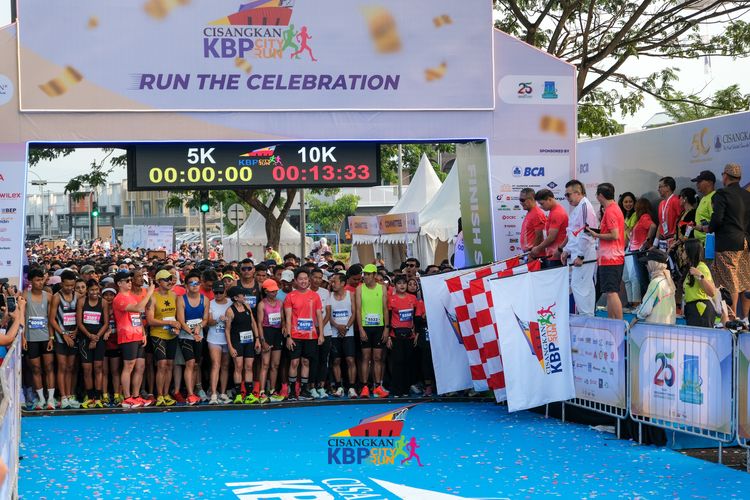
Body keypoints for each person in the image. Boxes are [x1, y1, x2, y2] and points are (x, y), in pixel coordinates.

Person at [708, 163, 750, 323]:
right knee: (745, 280)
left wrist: (709, 227)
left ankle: (731, 319)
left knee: (728, 281)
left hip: (727, 242)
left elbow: (717, 218)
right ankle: (746, 319)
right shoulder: (747, 195)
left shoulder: (722, 194)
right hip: (745, 242)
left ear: (725, 176)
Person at [112, 270, 155, 408]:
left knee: (140, 366)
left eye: (130, 280)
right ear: (119, 283)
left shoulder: (130, 296)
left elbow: (137, 315)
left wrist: (143, 333)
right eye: (127, 281)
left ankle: (136, 396)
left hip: (137, 334)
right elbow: (138, 308)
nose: (130, 282)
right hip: (127, 335)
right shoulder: (119, 298)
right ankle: (127, 397)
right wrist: (149, 292)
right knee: (129, 366)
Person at [284, 268, 324, 400]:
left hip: (311, 336)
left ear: (309, 280)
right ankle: (291, 391)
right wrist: (288, 336)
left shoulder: (315, 296)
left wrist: (321, 334)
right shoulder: (290, 296)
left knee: (306, 362)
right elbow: (288, 318)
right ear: (295, 281)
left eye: (305, 279)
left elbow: (319, 316)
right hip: (295, 336)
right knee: (294, 362)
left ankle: (303, 390)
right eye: (300, 279)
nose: (303, 281)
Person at [560, 180, 599, 316]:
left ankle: (586, 317)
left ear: (577, 193)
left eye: (568, 195)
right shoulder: (579, 207)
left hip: (584, 253)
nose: (567, 198)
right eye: (565, 195)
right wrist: (566, 250)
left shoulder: (585, 207)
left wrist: (581, 255)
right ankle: (588, 316)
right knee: (584, 286)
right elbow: (574, 233)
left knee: (580, 286)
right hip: (579, 252)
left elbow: (587, 233)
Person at [587, 183, 625, 320]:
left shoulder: (611, 211)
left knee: (612, 292)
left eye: (597, 194)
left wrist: (596, 235)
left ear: (600, 195)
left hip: (611, 258)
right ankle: (613, 323)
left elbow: (614, 235)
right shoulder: (612, 209)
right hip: (610, 257)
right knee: (610, 292)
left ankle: (619, 324)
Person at [23, 267, 56, 410]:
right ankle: (41, 399)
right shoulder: (25, 295)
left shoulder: (48, 297)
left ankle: (51, 399)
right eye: (37, 280)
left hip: (45, 337)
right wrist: (23, 337)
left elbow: (51, 319)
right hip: (31, 339)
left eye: (42, 279)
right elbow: (22, 318)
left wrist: (51, 337)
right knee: (36, 369)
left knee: (49, 367)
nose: (40, 282)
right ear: (31, 281)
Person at [146, 269, 180, 407]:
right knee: (162, 364)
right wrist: (170, 322)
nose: (169, 282)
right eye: (166, 279)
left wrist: (177, 325)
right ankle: (159, 395)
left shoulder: (174, 295)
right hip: (158, 334)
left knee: (170, 365)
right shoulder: (152, 297)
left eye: (171, 279)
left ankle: (166, 394)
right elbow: (150, 320)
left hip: (172, 334)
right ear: (159, 282)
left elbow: (178, 316)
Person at [355, 263, 390, 398]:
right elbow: (358, 310)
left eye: (369, 274)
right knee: (365, 357)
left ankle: (377, 387)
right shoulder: (359, 289)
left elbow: (385, 309)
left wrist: (386, 328)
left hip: (379, 327)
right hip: (365, 327)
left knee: (377, 358)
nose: (365, 276)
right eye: (365, 274)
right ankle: (364, 387)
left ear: (375, 275)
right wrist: (361, 329)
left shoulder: (382, 288)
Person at [176, 272, 209, 406]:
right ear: (186, 285)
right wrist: (192, 333)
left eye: (197, 283)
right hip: (186, 336)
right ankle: (190, 394)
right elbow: (181, 320)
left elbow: (205, 319)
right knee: (189, 363)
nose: (195, 286)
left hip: (198, 336)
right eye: (192, 283)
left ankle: (195, 390)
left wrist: (199, 326)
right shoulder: (181, 299)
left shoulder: (205, 299)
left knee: (196, 364)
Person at [48, 269, 79, 409]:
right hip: (61, 337)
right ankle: (63, 397)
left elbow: (79, 316)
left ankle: (70, 396)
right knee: (62, 367)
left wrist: (76, 331)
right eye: (67, 285)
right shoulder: (56, 297)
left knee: (71, 367)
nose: (69, 288)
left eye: (72, 285)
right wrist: (63, 334)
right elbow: (52, 319)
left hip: (74, 336)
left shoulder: (77, 296)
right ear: (61, 284)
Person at [225, 286, 262, 404]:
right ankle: (238, 395)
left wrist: (257, 339)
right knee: (238, 367)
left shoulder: (247, 306)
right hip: (237, 342)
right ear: (236, 298)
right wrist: (230, 347)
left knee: (249, 366)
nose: (245, 296)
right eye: (242, 295)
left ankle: (249, 394)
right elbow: (227, 330)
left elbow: (253, 323)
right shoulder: (230, 311)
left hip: (249, 341)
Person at [76, 279, 109, 408]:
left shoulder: (103, 302)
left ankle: (98, 397)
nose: (94, 292)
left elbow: (106, 323)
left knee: (98, 367)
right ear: (87, 291)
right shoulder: (81, 302)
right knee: (87, 369)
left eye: (96, 290)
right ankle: (90, 397)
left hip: (98, 338)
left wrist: (96, 338)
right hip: (85, 338)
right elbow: (79, 323)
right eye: (92, 290)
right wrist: (89, 336)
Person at [386, 275, 421, 397]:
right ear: (395, 285)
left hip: (410, 336)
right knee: (398, 362)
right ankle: (397, 390)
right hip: (395, 335)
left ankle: (406, 389)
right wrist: (388, 336)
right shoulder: (391, 299)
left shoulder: (413, 298)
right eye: (399, 283)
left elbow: (416, 317)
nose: (402, 285)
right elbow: (388, 318)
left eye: (404, 283)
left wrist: (417, 333)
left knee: (408, 362)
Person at [327, 272, 356, 398]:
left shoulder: (350, 295)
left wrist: (347, 327)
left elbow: (354, 313)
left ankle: (352, 387)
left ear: (343, 283)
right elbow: (328, 315)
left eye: (335, 281)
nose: (333, 284)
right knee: (336, 360)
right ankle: (339, 386)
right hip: (334, 333)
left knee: (350, 359)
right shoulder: (329, 296)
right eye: (332, 282)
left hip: (349, 332)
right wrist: (337, 326)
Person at [624, 198, 657, 306]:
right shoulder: (640, 219)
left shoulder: (644, 217)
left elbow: (653, 226)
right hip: (635, 251)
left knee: (642, 278)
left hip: (640, 251)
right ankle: (646, 303)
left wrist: (647, 240)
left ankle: (649, 303)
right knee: (641, 278)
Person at [256, 279, 285, 403]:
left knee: (275, 364)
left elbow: (283, 319)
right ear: (266, 291)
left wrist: (284, 326)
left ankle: (273, 391)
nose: (274, 293)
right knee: (265, 364)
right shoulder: (262, 304)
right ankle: (262, 392)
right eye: (272, 291)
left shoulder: (280, 303)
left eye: (275, 291)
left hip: (277, 333)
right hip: (266, 332)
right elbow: (259, 324)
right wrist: (262, 340)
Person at [633, 249, 676, 325]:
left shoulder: (656, 282)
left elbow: (646, 308)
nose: (646, 265)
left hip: (655, 326)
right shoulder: (668, 280)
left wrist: (637, 317)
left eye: (647, 263)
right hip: (669, 324)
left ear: (653, 264)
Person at [206, 281, 232, 405]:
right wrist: (218, 320)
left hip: (227, 339)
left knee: (225, 366)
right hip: (214, 338)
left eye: (220, 292)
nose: (218, 294)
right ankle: (213, 394)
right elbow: (208, 321)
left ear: (225, 291)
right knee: (216, 364)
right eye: (215, 292)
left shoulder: (231, 302)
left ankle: (223, 392)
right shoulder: (210, 303)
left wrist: (228, 319)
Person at [682, 239, 717, 327]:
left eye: (684, 250)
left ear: (690, 252)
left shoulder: (701, 267)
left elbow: (711, 292)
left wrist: (700, 275)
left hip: (701, 309)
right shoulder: (690, 268)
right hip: (692, 309)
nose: (682, 253)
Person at [531, 189, 568, 268]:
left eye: (542, 204)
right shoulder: (554, 211)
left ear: (550, 199)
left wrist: (538, 248)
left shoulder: (557, 213)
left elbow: (551, 237)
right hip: (554, 254)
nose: (541, 207)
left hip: (557, 255)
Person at [310, 268, 331, 399]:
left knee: (323, 360)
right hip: (310, 332)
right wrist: (315, 327)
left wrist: (321, 327)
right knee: (313, 360)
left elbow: (328, 312)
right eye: (315, 277)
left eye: (320, 278)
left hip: (325, 332)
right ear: (310, 278)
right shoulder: (305, 292)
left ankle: (321, 387)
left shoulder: (325, 292)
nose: (317, 280)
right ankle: (311, 387)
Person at [655, 176, 682, 251]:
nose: (658, 189)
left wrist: (677, 239)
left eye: (660, 187)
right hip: (662, 241)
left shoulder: (676, 200)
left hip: (673, 240)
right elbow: (660, 224)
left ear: (668, 187)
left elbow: (681, 220)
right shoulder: (661, 203)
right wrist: (655, 244)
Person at [691, 170, 716, 245]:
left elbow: (715, 222)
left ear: (710, 182)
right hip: (700, 244)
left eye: (699, 181)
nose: (697, 184)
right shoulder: (704, 198)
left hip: (708, 244)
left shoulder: (714, 198)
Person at [519, 188, 546, 253]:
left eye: (522, 200)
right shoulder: (531, 212)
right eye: (520, 200)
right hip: (529, 252)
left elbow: (539, 236)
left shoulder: (537, 214)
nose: (521, 203)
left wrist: (532, 253)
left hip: (534, 254)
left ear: (532, 199)